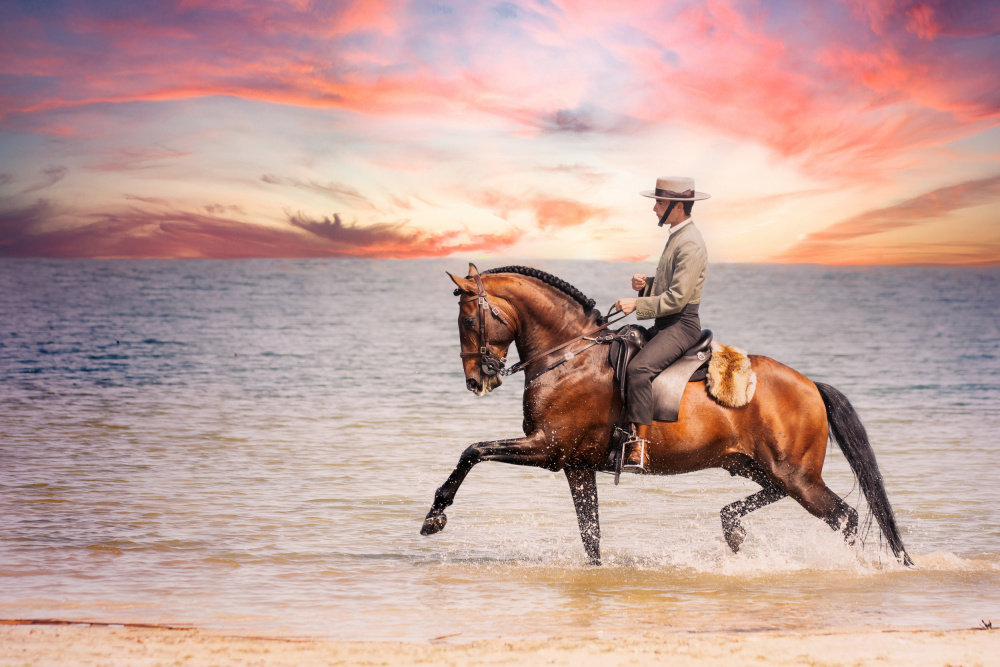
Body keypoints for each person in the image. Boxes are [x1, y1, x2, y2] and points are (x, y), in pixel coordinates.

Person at [614, 176, 710, 473]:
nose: (654, 209)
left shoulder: (691, 243)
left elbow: (679, 298)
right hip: (666, 322)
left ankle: (640, 449)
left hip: (681, 325)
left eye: (659, 203)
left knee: (639, 370)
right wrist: (646, 285)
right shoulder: (678, 235)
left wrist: (637, 304)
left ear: (677, 206)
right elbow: (670, 285)